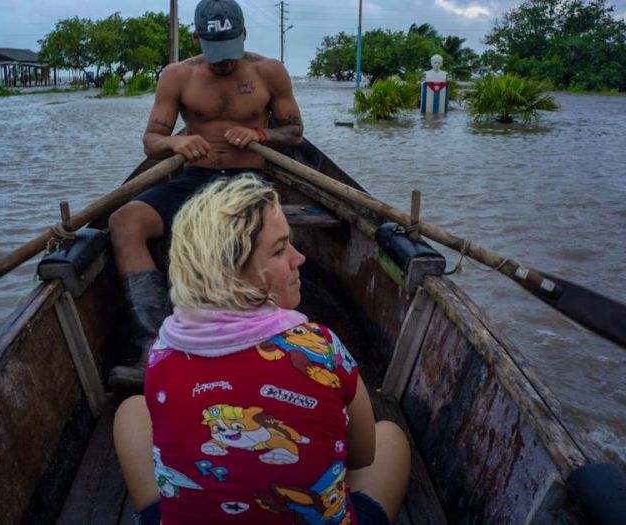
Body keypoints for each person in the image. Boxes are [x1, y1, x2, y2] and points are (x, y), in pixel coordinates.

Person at [113, 175, 411, 525]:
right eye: (280, 249)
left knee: (132, 412)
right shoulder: (321, 347)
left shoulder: (163, 350)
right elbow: (362, 455)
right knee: (390, 437)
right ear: (234, 271)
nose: (299, 258)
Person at [107, 0, 304, 389]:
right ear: (197, 38)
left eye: (230, 52)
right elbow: (151, 140)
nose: (224, 64)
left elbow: (295, 132)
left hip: (248, 183)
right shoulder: (177, 76)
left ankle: (267, 342)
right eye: (215, 53)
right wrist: (176, 145)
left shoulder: (269, 72)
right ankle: (153, 345)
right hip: (194, 180)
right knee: (124, 221)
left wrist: (260, 135)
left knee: (240, 238)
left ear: (244, 35)